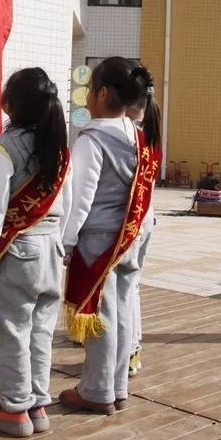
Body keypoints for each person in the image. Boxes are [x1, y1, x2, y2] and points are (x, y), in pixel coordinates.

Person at [0, 68, 72, 438]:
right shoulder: (58, 146)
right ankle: (38, 402)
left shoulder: (4, 147)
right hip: (52, 247)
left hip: (17, 249)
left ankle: (13, 408)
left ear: (12, 103)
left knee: (12, 330)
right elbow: (64, 204)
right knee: (41, 330)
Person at [60, 58, 161, 415]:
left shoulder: (94, 137)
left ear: (102, 93)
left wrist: (67, 240)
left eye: (89, 90)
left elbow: (80, 196)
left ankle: (97, 389)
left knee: (100, 316)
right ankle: (116, 387)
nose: (87, 97)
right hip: (131, 235)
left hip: (99, 238)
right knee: (120, 312)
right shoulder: (138, 134)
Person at [126, 78, 163, 376]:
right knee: (131, 287)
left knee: (122, 291)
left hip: (129, 222)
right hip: (144, 217)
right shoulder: (152, 138)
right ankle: (132, 348)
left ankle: (125, 350)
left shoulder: (129, 138)